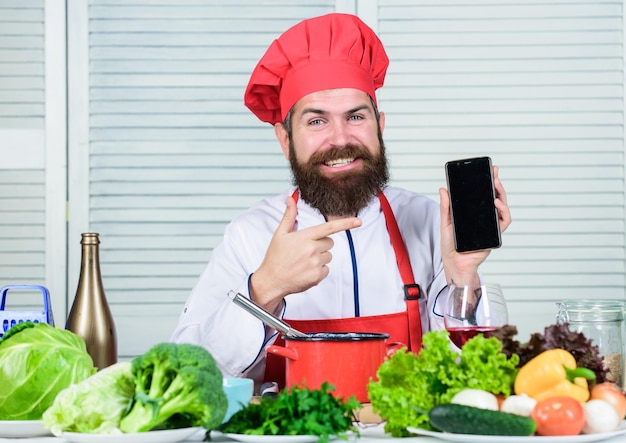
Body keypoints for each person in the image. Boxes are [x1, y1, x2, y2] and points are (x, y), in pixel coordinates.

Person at [170, 13, 511, 390]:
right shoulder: (249, 234)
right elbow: (189, 376)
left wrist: (462, 275)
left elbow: (475, 384)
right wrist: (265, 288)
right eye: (316, 121)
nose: (340, 139)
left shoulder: (428, 222)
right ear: (285, 140)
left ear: (380, 125)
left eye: (355, 116)